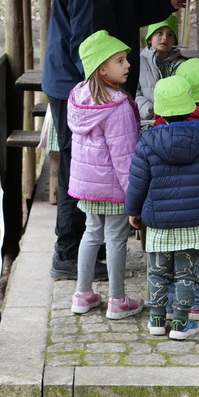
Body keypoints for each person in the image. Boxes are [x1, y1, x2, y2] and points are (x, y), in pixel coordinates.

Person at [44, 0, 186, 280]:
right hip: (83, 87)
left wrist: (164, 4)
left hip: (96, 84)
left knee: (95, 164)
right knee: (81, 166)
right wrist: (105, 92)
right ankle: (69, 254)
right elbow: (88, 44)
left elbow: (123, 14)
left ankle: (89, 244)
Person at [126, 77, 199, 340]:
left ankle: (157, 320)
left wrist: (133, 210)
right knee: (187, 273)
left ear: (159, 111)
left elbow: (138, 183)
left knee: (158, 271)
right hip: (196, 220)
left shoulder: (147, 142)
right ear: (191, 106)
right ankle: (182, 324)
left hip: (160, 220)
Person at [66, 31, 144, 320]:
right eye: (120, 60)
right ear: (102, 68)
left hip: (87, 186)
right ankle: (117, 300)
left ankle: (82, 294)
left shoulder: (79, 97)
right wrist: (134, 197)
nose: (128, 65)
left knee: (90, 233)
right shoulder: (117, 105)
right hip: (113, 187)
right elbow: (125, 157)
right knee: (116, 239)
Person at [135, 16, 185, 127]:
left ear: (175, 41)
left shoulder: (181, 65)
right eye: (159, 33)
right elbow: (133, 92)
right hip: (145, 122)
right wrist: (151, 110)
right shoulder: (138, 62)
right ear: (149, 38)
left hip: (174, 123)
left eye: (170, 35)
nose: (164, 38)